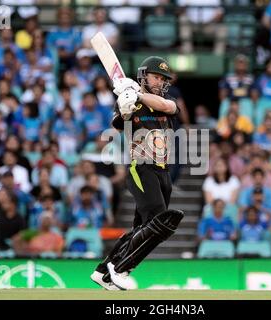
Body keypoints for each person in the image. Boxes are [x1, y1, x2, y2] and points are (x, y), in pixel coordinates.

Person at [91, 56, 184, 290]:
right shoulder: (130, 101)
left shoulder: (165, 101)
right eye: (156, 76)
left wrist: (138, 95)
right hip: (141, 167)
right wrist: (125, 107)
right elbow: (117, 125)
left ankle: (104, 271)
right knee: (159, 223)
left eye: (164, 78)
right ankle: (121, 268)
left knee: (144, 229)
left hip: (163, 171)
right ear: (144, 76)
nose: (161, 81)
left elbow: (168, 107)